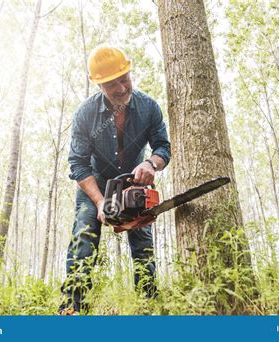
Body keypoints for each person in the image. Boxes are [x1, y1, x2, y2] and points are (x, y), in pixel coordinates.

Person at [58, 45, 171, 315]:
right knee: (83, 238)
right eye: (111, 84)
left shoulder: (149, 108)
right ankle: (73, 308)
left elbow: (163, 148)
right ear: (98, 84)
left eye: (124, 78)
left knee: (143, 245)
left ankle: (148, 305)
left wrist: (150, 163)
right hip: (95, 184)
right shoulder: (85, 114)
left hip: (134, 183)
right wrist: (99, 202)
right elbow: (78, 164)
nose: (121, 88)